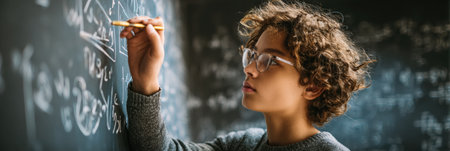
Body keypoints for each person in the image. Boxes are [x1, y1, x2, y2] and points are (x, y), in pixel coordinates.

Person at [120, 0, 374, 150]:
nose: (249, 68)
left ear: (313, 86)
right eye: (252, 55)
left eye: (270, 61)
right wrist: (146, 81)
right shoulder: (244, 145)